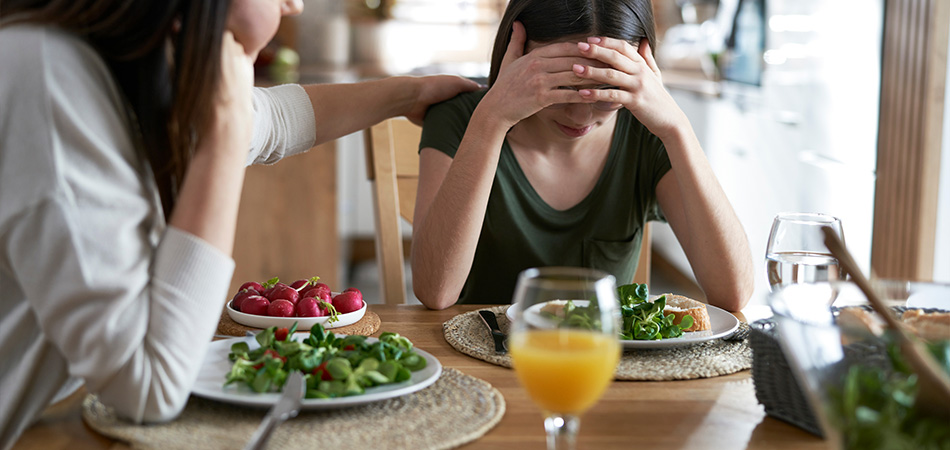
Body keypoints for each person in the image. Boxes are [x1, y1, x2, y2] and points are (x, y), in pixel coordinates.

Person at [0, 0, 478, 446]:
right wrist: (223, 145)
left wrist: (408, 94)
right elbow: (150, 388)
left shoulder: (110, 65)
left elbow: (272, 119)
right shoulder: (50, 84)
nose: (295, 5)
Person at [411, 0, 755, 312]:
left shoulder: (647, 134)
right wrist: (491, 120)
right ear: (515, 55)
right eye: (560, 86)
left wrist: (677, 128)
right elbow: (436, 291)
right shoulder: (461, 119)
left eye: (606, 91)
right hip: (481, 359)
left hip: (606, 366)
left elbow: (733, 294)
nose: (580, 117)